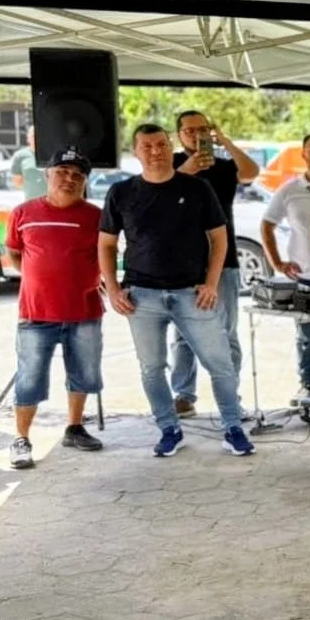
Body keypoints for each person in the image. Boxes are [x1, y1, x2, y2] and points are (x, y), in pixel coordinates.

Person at [99, 124, 255, 459]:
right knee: (151, 367)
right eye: (146, 146)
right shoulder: (121, 192)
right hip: (142, 296)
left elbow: (219, 238)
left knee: (221, 364)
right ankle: (169, 429)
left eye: (160, 144)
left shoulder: (197, 188)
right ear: (135, 151)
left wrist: (211, 282)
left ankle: (233, 428)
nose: (155, 151)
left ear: (171, 147)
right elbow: (106, 244)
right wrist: (112, 289)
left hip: (192, 292)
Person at [6, 148, 107, 468]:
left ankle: (75, 428)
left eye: (78, 175)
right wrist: (40, 279)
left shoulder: (97, 217)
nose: (69, 179)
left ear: (85, 182)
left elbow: (107, 255)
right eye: (62, 171)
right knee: (29, 378)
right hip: (36, 313)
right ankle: (21, 439)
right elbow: (14, 254)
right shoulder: (23, 212)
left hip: (85, 311)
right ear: (47, 174)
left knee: (84, 374)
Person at [168, 111, 260, 418]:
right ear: (179, 135)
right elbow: (162, 194)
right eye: (190, 130)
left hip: (225, 262)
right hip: (182, 263)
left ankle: (230, 397)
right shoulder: (172, 165)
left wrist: (225, 142)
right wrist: (188, 169)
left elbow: (251, 172)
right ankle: (183, 395)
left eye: (203, 129)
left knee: (226, 332)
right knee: (183, 332)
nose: (197, 135)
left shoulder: (222, 166)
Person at [261, 132, 310, 400]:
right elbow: (267, 225)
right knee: (307, 339)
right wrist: (277, 262)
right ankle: (308, 386)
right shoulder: (289, 190)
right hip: (305, 279)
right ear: (304, 154)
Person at [9, 125, 46, 199]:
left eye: (40, 136)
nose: (36, 138)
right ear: (28, 138)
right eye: (33, 136)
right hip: (30, 201)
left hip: (51, 202)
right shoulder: (20, 156)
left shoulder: (51, 155)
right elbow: (17, 182)